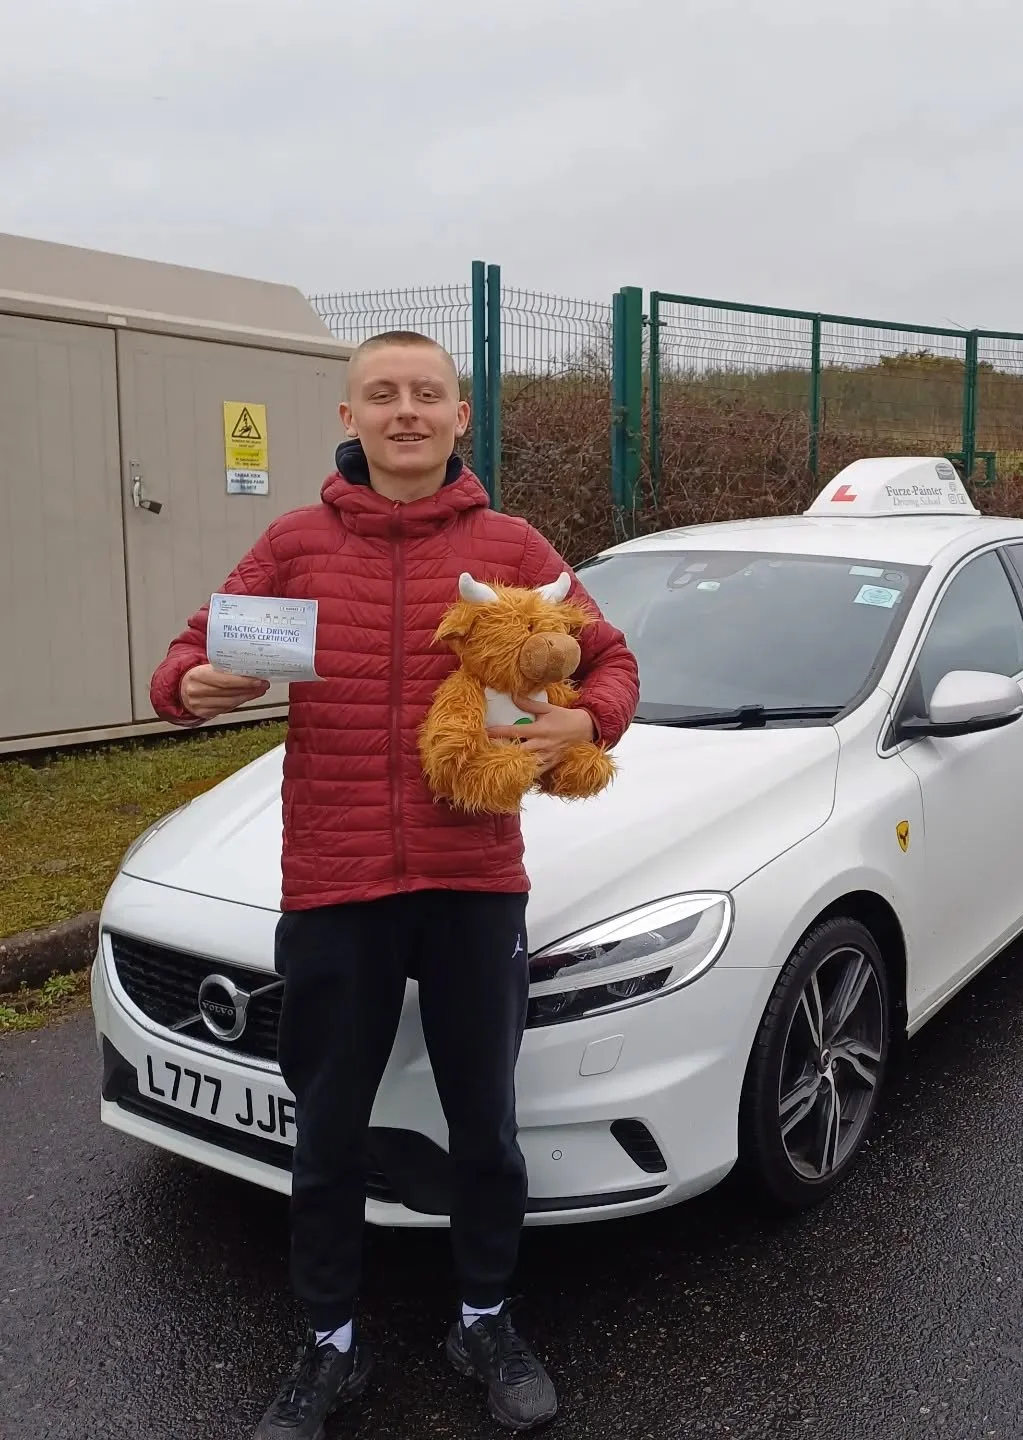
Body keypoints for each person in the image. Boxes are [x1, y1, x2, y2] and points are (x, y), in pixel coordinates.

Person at [150, 330, 639, 1437]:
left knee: (485, 1127)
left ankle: (484, 1317)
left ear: (462, 419)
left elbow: (611, 660)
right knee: (324, 1129)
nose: (405, 411)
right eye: (383, 394)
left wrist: (584, 717)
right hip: (335, 887)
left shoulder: (514, 543)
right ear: (349, 416)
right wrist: (198, 685)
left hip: (474, 885)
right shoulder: (293, 543)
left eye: (427, 394)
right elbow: (180, 662)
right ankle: (328, 1345)